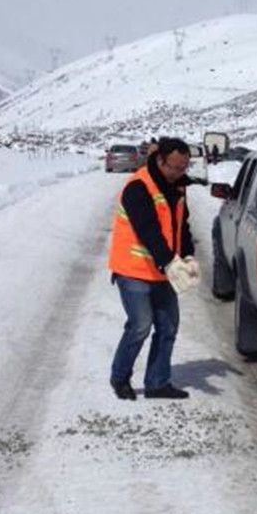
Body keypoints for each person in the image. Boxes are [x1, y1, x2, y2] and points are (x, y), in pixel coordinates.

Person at [108, 137, 199, 400]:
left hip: (162, 271)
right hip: (133, 270)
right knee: (140, 326)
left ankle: (157, 383)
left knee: (168, 327)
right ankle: (120, 378)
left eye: (184, 167)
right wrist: (170, 261)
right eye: (175, 167)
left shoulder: (178, 187)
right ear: (160, 160)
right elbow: (148, 231)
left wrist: (188, 256)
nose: (179, 172)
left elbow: (181, 226)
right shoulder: (138, 187)